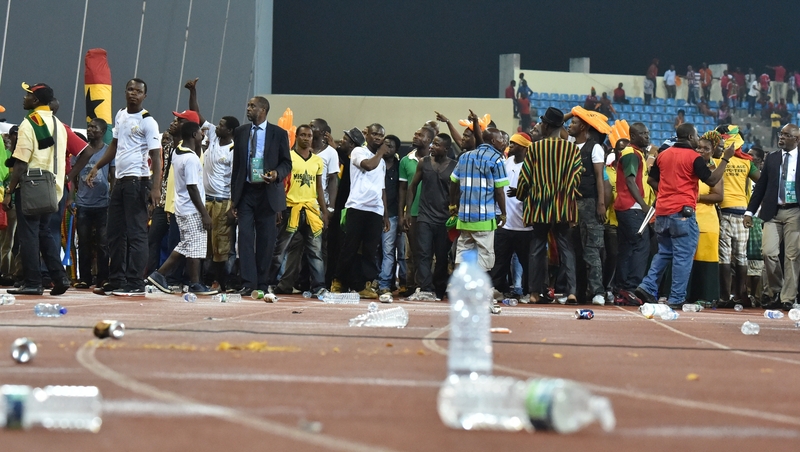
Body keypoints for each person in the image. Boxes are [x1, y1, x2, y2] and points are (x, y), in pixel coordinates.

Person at [635, 123, 733, 307]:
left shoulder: (663, 155)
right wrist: (726, 159)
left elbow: (651, 179)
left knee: (664, 252)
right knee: (683, 256)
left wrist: (666, 191)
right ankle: (677, 297)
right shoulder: (693, 157)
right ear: (690, 137)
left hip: (663, 211)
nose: (698, 140)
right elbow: (711, 179)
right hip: (682, 213)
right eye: (696, 136)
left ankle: (647, 285)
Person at [86, 78, 161, 296]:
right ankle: (117, 278)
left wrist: (156, 188)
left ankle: (135, 281)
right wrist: (97, 166)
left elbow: (156, 156)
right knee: (114, 232)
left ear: (144, 96)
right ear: (125, 91)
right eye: (130, 89)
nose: (133, 93)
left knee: (136, 233)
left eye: (138, 91)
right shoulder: (121, 115)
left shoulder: (148, 121)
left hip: (138, 181)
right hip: (120, 182)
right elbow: (115, 145)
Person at [2, 83, 69, 296]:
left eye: (28, 95)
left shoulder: (31, 123)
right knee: (44, 233)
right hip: (53, 187)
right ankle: (59, 277)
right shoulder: (58, 123)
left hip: (32, 185)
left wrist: (10, 189)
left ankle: (32, 281)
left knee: (28, 234)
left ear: (37, 101)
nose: (24, 98)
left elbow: (21, 161)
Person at [516, 107, 581, 304]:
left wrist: (521, 195)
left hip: (539, 205)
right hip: (563, 205)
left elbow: (524, 178)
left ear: (545, 125)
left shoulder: (535, 148)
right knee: (566, 249)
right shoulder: (572, 149)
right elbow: (577, 177)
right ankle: (571, 292)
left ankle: (535, 293)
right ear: (561, 126)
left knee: (536, 248)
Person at [230, 96, 292, 295]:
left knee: (266, 241)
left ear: (263, 109)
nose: (248, 109)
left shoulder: (279, 133)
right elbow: (237, 167)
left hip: (268, 192)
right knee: (245, 239)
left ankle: (263, 284)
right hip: (246, 191)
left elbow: (286, 163)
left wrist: (276, 174)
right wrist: (234, 198)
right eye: (248, 105)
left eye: (252, 106)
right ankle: (248, 283)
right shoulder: (240, 132)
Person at [147, 121, 216, 295]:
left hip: (182, 207)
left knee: (187, 245)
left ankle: (163, 276)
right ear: (194, 135)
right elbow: (193, 188)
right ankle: (191, 282)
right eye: (200, 133)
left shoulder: (178, 152)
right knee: (194, 247)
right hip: (192, 208)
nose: (203, 135)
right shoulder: (190, 159)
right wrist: (204, 214)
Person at [185, 78, 240, 291]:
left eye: (223, 125)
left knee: (222, 246)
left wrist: (232, 207)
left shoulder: (235, 150)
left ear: (231, 131)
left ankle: (223, 281)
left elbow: (236, 180)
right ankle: (207, 280)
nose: (219, 126)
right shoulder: (215, 138)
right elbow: (197, 117)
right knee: (205, 244)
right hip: (206, 199)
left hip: (223, 201)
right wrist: (193, 92)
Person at [744, 124, 800, 310]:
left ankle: (787, 298)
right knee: (768, 253)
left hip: (795, 212)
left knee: (792, 256)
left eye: (786, 135)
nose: (781, 138)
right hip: (772, 212)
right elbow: (760, 186)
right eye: (781, 134)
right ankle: (776, 290)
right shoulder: (772, 158)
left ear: (797, 139)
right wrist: (749, 211)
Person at [330, 124, 390, 298]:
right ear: (367, 135)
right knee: (349, 247)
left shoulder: (383, 162)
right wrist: (380, 153)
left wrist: (385, 214)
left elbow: (383, 189)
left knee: (370, 251)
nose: (378, 138)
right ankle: (338, 280)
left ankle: (363, 285)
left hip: (376, 210)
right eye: (375, 134)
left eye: (381, 135)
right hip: (357, 207)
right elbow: (368, 166)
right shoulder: (358, 152)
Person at [268, 125, 328, 295]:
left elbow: (319, 188)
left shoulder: (317, 161)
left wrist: (324, 212)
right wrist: (279, 208)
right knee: (280, 250)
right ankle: (268, 283)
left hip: (311, 210)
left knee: (315, 252)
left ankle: (319, 286)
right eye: (302, 135)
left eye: (309, 135)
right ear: (296, 136)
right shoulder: (289, 158)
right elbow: (280, 184)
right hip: (291, 208)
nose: (306, 138)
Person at [449, 112, 508, 277]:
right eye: (502, 140)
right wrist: (503, 213)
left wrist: (453, 205)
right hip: (484, 218)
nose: (504, 142)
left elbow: (453, 182)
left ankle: (460, 288)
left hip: (464, 217)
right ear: (493, 141)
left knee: (463, 251)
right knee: (484, 254)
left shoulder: (465, 156)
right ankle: (483, 293)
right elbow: (499, 190)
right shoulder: (497, 159)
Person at [567, 106, 610, 305]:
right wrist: (575, 113)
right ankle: (576, 292)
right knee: (572, 249)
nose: (570, 125)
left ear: (583, 127)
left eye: (574, 123)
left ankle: (598, 292)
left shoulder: (595, 148)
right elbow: (555, 126)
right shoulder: (568, 144)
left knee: (592, 249)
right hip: (570, 204)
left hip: (590, 202)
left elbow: (600, 178)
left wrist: (601, 204)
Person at [714, 126, 760, 307]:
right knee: (741, 256)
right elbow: (761, 180)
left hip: (724, 209)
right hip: (742, 211)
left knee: (724, 256)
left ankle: (725, 297)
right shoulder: (747, 162)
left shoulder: (719, 159)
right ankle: (740, 295)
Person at [407, 133, 456, 300]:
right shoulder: (424, 163)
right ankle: (425, 287)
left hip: (444, 219)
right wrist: (408, 212)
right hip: (425, 217)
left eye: (436, 144)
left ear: (447, 148)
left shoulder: (454, 166)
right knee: (423, 253)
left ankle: (440, 287)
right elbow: (412, 186)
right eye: (432, 144)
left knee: (442, 257)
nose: (432, 147)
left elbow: (457, 193)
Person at [68, 118, 113, 289]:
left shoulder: (109, 152)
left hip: (103, 204)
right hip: (83, 203)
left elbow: (113, 176)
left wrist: (112, 197)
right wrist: (71, 198)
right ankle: (85, 278)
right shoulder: (79, 152)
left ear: (102, 132)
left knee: (103, 243)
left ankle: (103, 278)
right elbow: (72, 177)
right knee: (84, 242)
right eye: (89, 126)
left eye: (94, 127)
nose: (90, 129)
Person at [490, 132, 533, 298]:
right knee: (500, 260)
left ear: (522, 147)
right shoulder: (506, 163)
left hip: (525, 224)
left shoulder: (531, 166)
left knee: (527, 263)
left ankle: (529, 291)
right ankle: (500, 289)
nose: (510, 147)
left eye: (514, 144)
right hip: (505, 222)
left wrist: (522, 192)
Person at [614, 124, 652, 300]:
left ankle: (621, 288)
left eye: (648, 133)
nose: (647, 136)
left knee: (626, 248)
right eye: (643, 134)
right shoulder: (631, 154)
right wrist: (643, 205)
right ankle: (631, 286)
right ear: (633, 136)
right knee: (641, 246)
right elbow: (630, 182)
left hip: (626, 207)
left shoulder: (635, 154)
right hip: (632, 208)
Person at [398, 126, 434, 296]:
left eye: (420, 135)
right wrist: (403, 213)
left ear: (429, 140)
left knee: (428, 252)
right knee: (413, 252)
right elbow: (403, 189)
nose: (415, 136)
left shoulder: (436, 160)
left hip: (431, 212)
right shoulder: (406, 160)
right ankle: (413, 286)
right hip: (412, 212)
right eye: (416, 133)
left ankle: (428, 285)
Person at [688, 132, 724, 304]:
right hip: (688, 218)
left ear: (712, 151)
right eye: (698, 147)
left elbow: (718, 196)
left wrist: (695, 198)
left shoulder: (715, 169)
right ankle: (687, 295)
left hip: (707, 220)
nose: (701, 151)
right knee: (687, 258)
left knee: (706, 258)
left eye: (706, 149)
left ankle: (707, 297)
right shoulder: (689, 165)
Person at [378, 134, 401, 295]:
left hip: (392, 215)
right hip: (374, 212)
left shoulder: (400, 166)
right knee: (373, 251)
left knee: (388, 251)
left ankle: (384, 284)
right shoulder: (375, 163)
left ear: (396, 150)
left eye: (390, 146)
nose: (387, 148)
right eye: (385, 145)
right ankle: (372, 280)